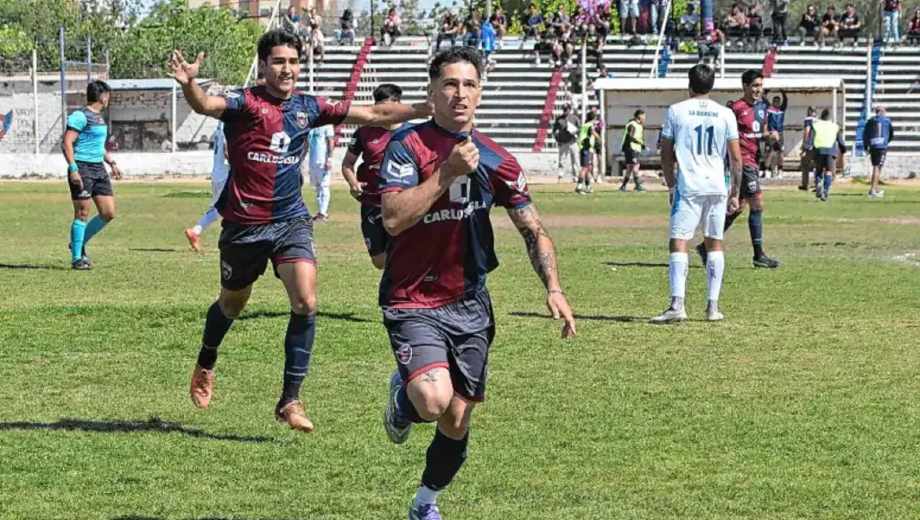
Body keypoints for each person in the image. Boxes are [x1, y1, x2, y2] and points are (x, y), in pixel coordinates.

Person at [168, 30, 430, 433]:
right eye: (278, 61)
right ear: (263, 65)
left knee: (306, 301)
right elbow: (205, 103)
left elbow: (375, 115)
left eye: (292, 61)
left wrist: (426, 107)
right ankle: (206, 360)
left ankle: (290, 399)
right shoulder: (244, 103)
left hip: (291, 220)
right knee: (231, 305)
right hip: (244, 227)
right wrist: (189, 84)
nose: (287, 68)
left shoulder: (310, 107)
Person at [378, 46, 575, 520]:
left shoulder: (497, 158)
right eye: (449, 84)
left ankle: (425, 502)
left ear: (480, 93)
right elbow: (392, 218)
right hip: (412, 299)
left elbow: (533, 229)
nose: (459, 93)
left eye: (469, 84)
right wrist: (446, 173)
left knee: (457, 418)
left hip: (469, 303)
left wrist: (553, 287)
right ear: (432, 91)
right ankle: (404, 397)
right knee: (431, 399)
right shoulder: (408, 146)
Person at [653, 64, 742, 323]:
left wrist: (671, 185)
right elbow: (736, 158)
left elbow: (666, 153)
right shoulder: (725, 113)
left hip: (689, 186)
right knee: (715, 242)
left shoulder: (676, 111)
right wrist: (734, 191)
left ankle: (677, 304)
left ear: (689, 84)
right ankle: (713, 307)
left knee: (678, 241)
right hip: (716, 185)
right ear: (712, 85)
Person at [698, 69, 780, 269]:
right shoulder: (735, 108)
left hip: (754, 158)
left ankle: (705, 245)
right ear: (744, 86)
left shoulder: (763, 108)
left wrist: (770, 135)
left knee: (739, 206)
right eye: (754, 86)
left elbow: (761, 131)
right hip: (742, 161)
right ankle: (758, 255)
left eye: (760, 86)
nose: (758, 90)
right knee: (757, 204)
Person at [340, 83, 404, 269]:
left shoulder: (412, 132)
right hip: (372, 203)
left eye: (390, 105)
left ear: (399, 104)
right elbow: (347, 164)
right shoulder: (364, 131)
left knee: (405, 252)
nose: (386, 111)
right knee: (379, 261)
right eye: (381, 106)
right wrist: (353, 183)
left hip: (403, 203)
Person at [62, 80, 123, 270]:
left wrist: (111, 162)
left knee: (108, 212)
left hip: (99, 169)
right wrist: (73, 169)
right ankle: (77, 258)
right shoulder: (80, 116)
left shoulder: (99, 118)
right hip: (82, 168)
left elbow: (98, 146)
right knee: (82, 214)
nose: (109, 99)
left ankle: (76, 245)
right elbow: (67, 143)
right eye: (108, 95)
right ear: (102, 96)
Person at [185, 123, 229, 252]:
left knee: (218, 208)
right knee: (235, 207)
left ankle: (195, 231)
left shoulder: (220, 125)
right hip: (226, 174)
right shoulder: (229, 124)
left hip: (218, 173)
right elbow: (228, 152)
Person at [812, 108, 845, 201]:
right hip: (830, 151)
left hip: (818, 150)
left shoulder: (815, 125)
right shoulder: (835, 126)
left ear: (821, 117)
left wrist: (806, 148)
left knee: (818, 170)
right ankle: (825, 191)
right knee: (829, 171)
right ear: (830, 118)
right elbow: (840, 140)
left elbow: (810, 138)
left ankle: (818, 183)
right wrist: (843, 149)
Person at [862, 106, 894, 198]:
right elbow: (891, 134)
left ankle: (875, 188)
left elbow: (865, 135)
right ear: (883, 112)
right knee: (877, 167)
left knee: (877, 166)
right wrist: (886, 142)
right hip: (881, 146)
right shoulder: (887, 121)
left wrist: (866, 146)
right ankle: (872, 191)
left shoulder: (870, 121)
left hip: (873, 145)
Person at [306, 124, 335, 222]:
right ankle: (320, 211)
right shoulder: (313, 125)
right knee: (317, 187)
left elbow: (330, 141)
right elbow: (307, 143)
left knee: (324, 186)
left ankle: (323, 213)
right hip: (313, 160)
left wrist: (329, 159)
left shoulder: (327, 125)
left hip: (323, 160)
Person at [620, 109, 646, 191]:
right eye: (644, 116)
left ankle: (623, 186)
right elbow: (630, 137)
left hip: (634, 148)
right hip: (631, 148)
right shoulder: (632, 125)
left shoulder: (638, 125)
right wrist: (640, 143)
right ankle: (638, 185)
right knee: (636, 166)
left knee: (630, 168)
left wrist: (641, 145)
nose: (645, 118)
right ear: (639, 116)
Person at [552, 104, 579, 181]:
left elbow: (579, 129)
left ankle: (575, 176)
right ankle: (560, 175)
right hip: (563, 142)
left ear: (569, 109)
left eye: (566, 109)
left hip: (572, 141)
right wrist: (558, 140)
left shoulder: (574, 118)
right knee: (562, 160)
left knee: (575, 160)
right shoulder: (559, 119)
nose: (565, 111)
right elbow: (554, 131)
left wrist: (574, 131)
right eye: (564, 109)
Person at [765, 91, 788, 178]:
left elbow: (785, 100)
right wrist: (767, 92)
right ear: (773, 102)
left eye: (778, 101)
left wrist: (783, 92)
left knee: (780, 152)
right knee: (770, 152)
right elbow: (764, 99)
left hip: (780, 134)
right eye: (775, 101)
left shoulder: (781, 109)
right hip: (771, 133)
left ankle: (780, 170)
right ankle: (767, 170)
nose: (777, 103)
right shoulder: (769, 109)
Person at [576, 111, 599, 194]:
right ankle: (579, 187)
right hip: (586, 148)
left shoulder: (585, 125)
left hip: (587, 149)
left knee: (588, 168)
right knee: (585, 168)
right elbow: (592, 132)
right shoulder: (589, 125)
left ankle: (588, 186)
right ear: (593, 118)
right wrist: (599, 138)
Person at [798, 106, 817, 191]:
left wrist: (804, 144)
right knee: (816, 166)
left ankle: (805, 184)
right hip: (816, 145)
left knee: (805, 165)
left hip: (808, 145)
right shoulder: (818, 120)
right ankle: (817, 183)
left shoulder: (808, 119)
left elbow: (807, 131)